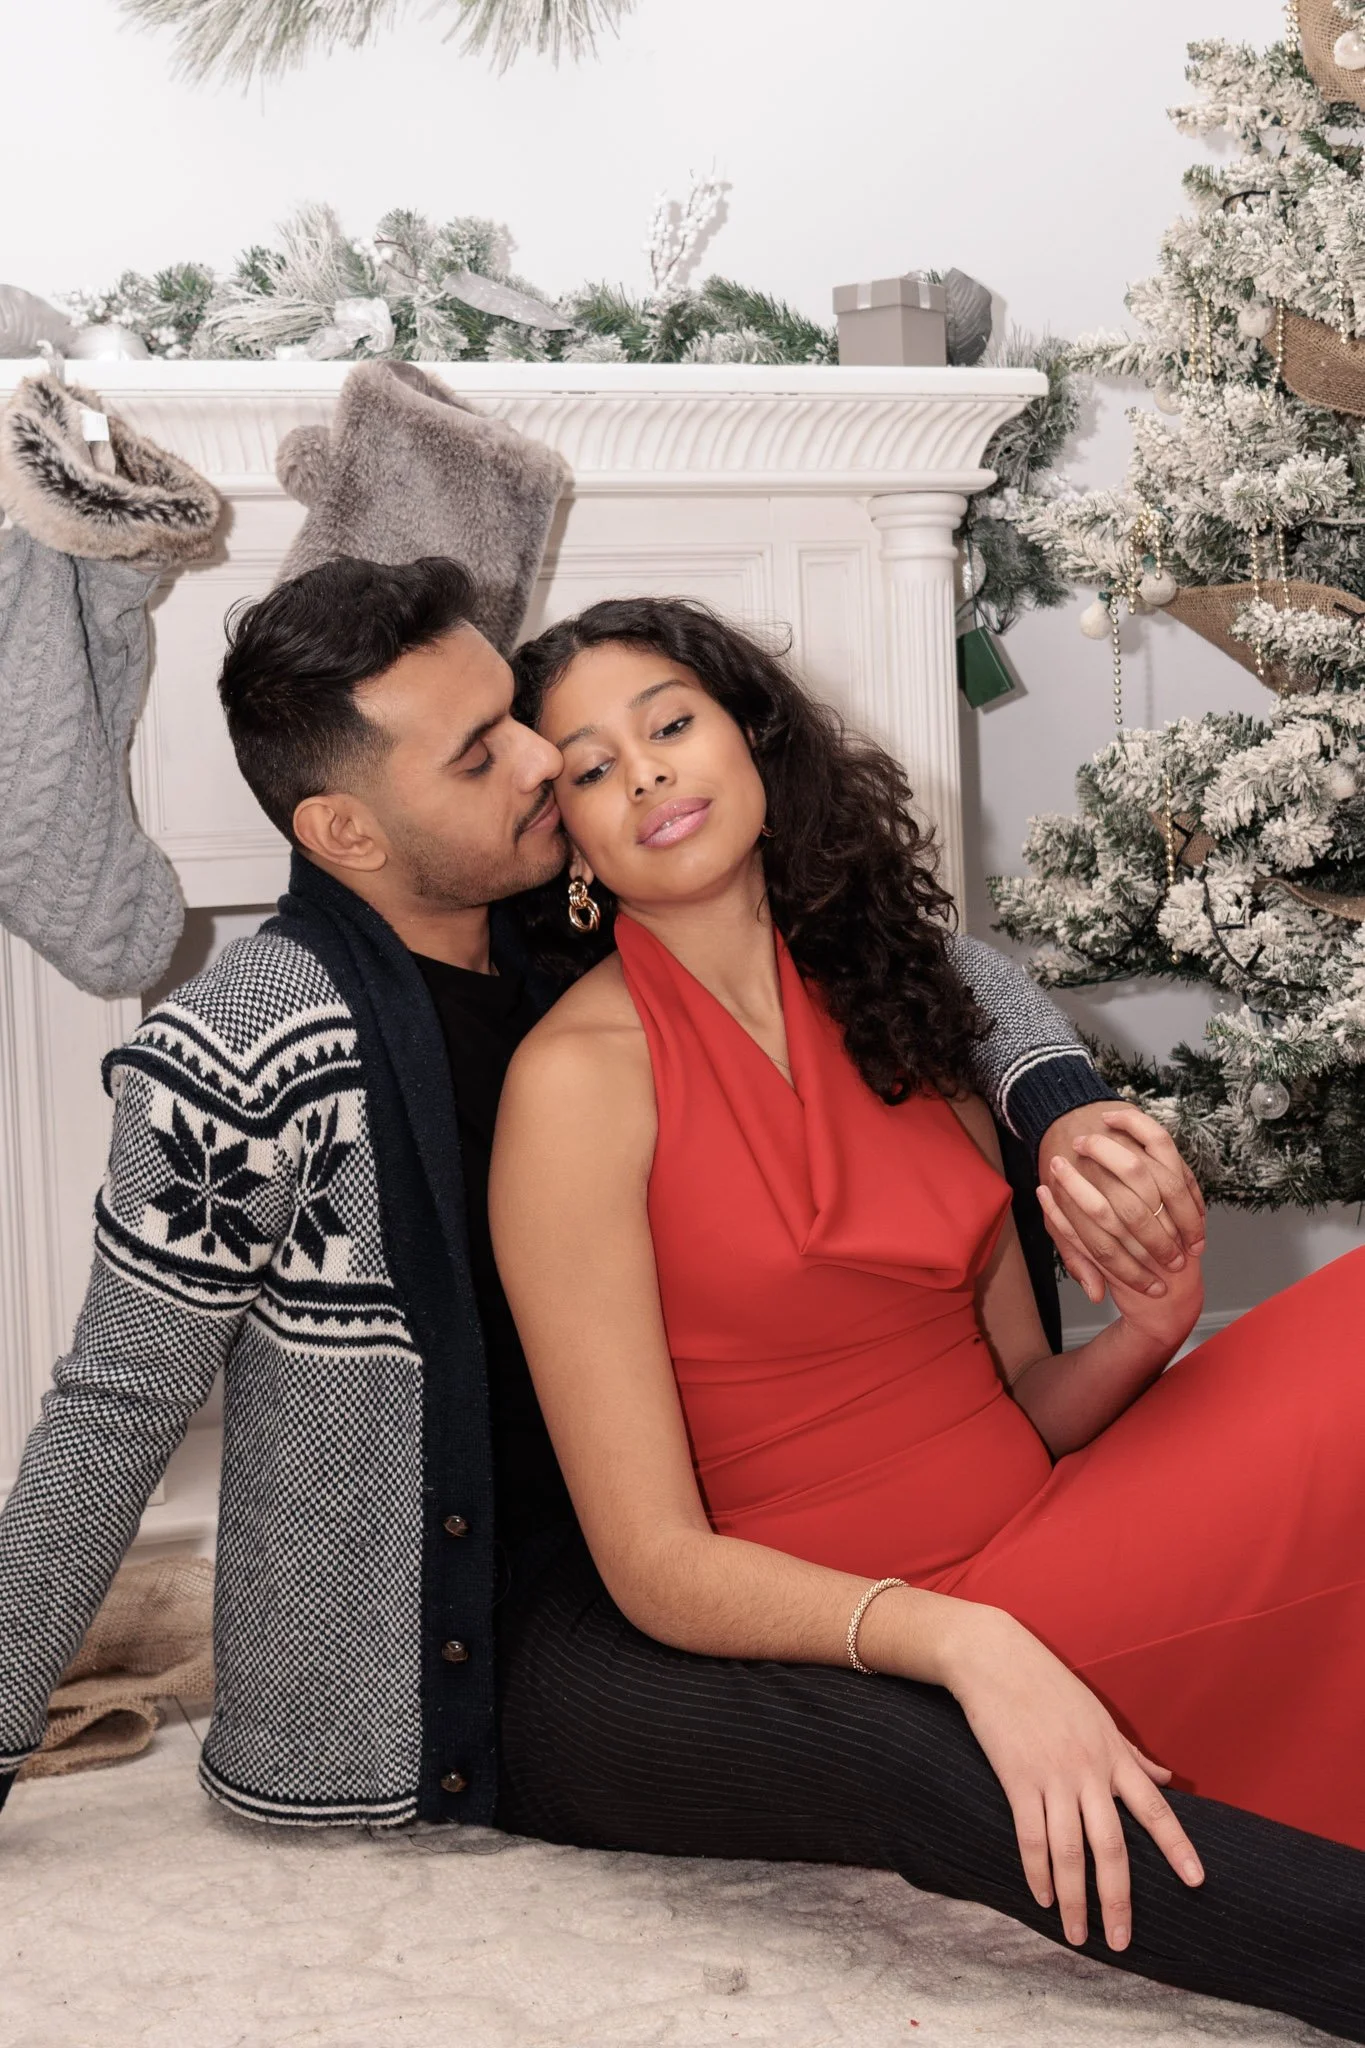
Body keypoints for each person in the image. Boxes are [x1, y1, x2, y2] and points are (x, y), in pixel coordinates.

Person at [0, 558, 1357, 2045]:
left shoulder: (572, 922)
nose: (545, 764)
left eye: (563, 736)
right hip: (491, 1635)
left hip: (787, 1544)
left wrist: (1069, 1120)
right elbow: (113, 1408)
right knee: (932, 1764)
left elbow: (949, 977)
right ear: (349, 831)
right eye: (508, 753)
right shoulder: (263, 1050)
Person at [493, 592, 1365, 2041]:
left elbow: (1017, 1397)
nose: (642, 774)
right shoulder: (576, 1085)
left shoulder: (899, 1003)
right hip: (926, 1627)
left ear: (756, 743)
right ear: (569, 843)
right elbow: (650, 1562)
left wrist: (1151, 1335)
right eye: (588, 767)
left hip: (1060, 1530)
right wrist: (967, 1646)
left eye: (670, 724)